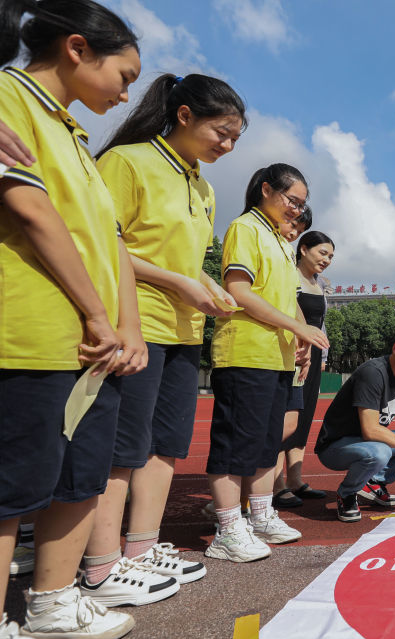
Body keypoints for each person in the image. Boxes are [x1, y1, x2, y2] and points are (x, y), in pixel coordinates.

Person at [0, 1, 142, 639]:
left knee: (77, 475)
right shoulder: (8, 96)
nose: (127, 93)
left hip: (93, 342)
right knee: (8, 490)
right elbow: (29, 210)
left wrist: (126, 324)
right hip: (30, 329)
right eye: (125, 73)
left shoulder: (77, 138)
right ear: (79, 49)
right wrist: (95, 312)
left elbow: (112, 242)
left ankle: (52, 601)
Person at [74, 73, 246, 607]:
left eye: (236, 138)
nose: (228, 145)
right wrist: (177, 283)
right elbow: (101, 243)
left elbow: (187, 261)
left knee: (166, 443)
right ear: (185, 114)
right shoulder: (127, 162)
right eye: (222, 132)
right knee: (122, 447)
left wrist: (207, 286)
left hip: (183, 330)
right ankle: (100, 567)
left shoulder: (203, 186)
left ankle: (141, 548)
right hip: (137, 323)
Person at [205, 164, 329, 562]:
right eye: (292, 201)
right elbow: (239, 290)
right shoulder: (246, 228)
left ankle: (260, 513)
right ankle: (227, 527)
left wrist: (301, 336)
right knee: (234, 443)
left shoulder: (279, 240)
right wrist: (298, 327)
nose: (297, 210)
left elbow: (287, 296)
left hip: (276, 356)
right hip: (245, 351)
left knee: (265, 442)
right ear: (265, 190)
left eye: (302, 204)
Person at [315, 327, 395, 522]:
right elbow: (370, 430)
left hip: (367, 443)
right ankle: (347, 493)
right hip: (335, 446)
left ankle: (373, 482)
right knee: (381, 452)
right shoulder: (373, 373)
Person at [274, 225, 334, 508]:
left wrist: (322, 357)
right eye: (323, 252)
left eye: (331, 256)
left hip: (312, 360)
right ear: (303, 249)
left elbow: (320, 324)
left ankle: (296, 480)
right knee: (284, 421)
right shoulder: (289, 275)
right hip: (288, 356)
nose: (327, 259)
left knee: (304, 418)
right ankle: (276, 484)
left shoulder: (321, 283)